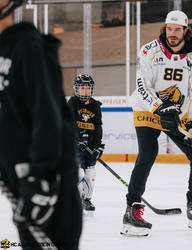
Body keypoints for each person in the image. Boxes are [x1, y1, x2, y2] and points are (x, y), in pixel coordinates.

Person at [121, 10, 192, 237]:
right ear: (164, 29)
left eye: (177, 29)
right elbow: (142, 85)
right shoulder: (149, 50)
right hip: (147, 109)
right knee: (148, 152)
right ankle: (132, 209)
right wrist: (158, 107)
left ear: (186, 30)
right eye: (169, 28)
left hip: (177, 113)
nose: (172, 33)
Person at [0, 0, 82, 249]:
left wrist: (41, 179)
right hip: (20, 182)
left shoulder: (28, 47)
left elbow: (48, 117)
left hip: (47, 185)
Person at [67, 74, 104, 214]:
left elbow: (98, 128)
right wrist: (76, 140)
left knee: (90, 174)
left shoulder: (95, 106)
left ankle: (86, 199)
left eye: (87, 88)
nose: (85, 91)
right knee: (78, 172)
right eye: (82, 88)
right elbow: (68, 125)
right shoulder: (72, 103)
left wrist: (98, 146)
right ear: (77, 89)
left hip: (90, 147)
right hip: (75, 147)